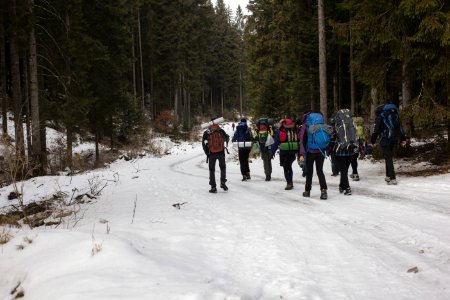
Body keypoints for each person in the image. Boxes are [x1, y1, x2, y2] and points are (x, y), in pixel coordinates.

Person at [371, 103, 407, 185]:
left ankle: (393, 178)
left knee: (388, 158)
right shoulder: (395, 115)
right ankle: (388, 176)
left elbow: (376, 130)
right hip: (393, 139)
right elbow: (400, 128)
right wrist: (403, 139)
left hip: (385, 139)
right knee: (388, 157)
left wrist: (373, 140)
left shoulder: (381, 117)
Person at [298, 111, 329, 199]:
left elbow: (302, 141)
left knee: (309, 172)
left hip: (310, 152)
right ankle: (323, 191)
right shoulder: (321, 124)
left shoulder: (305, 126)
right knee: (320, 171)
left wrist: (301, 154)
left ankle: (307, 191)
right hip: (321, 150)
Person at [331, 109, 358, 195]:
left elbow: (333, 137)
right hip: (350, 150)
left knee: (343, 171)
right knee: (345, 170)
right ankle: (342, 185)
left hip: (340, 150)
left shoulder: (336, 125)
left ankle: (347, 188)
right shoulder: (353, 124)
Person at [202, 120, 230, 193]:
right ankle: (223, 183)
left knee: (212, 170)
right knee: (223, 168)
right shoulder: (220, 130)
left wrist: (207, 153)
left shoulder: (207, 132)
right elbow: (226, 138)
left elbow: (204, 144)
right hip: (221, 153)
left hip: (211, 154)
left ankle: (213, 187)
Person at [272, 118, 299, 190]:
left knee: (286, 167)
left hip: (284, 152)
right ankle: (290, 182)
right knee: (289, 166)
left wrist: (272, 153)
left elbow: (275, 143)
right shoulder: (294, 130)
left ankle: (289, 183)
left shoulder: (280, 131)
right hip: (293, 152)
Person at [350, 116, 366, 181]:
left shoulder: (353, 127)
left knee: (352, 159)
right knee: (354, 159)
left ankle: (355, 173)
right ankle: (354, 172)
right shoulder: (361, 127)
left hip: (354, 145)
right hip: (359, 145)